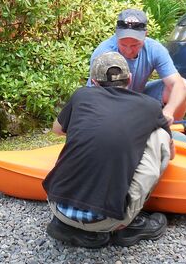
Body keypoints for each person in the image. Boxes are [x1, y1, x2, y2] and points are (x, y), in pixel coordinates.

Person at [43, 52, 174, 248]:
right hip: (106, 220)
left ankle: (68, 226)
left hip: (56, 205)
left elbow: (57, 129)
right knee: (160, 136)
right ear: (129, 79)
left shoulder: (81, 95)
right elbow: (171, 153)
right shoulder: (149, 106)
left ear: (94, 82)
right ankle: (127, 226)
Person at [89, 8, 186, 123]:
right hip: (109, 101)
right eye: (123, 44)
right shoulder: (104, 53)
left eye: (134, 45)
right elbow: (95, 96)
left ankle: (171, 130)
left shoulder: (154, 49)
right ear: (116, 35)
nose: (128, 50)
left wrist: (169, 111)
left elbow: (178, 85)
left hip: (139, 96)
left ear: (145, 35)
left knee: (184, 85)